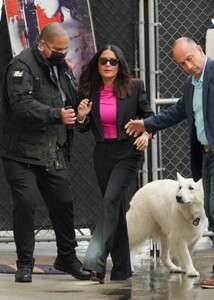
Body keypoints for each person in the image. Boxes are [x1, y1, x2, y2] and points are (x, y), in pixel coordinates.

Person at [0, 22, 90, 283]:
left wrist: (80, 114)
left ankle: (67, 258)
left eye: (66, 48)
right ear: (42, 44)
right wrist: (56, 115)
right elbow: (21, 105)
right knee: (25, 204)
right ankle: (25, 264)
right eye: (58, 49)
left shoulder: (63, 68)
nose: (63, 53)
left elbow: (70, 103)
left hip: (53, 151)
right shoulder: (21, 66)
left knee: (63, 203)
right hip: (21, 153)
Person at [125, 36, 214, 288]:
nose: (187, 66)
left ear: (200, 49)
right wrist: (146, 124)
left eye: (189, 59)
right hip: (206, 155)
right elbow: (176, 112)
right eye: (181, 64)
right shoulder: (190, 84)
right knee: (209, 207)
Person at [76, 44, 154, 283]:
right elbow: (83, 127)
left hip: (127, 153)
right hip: (102, 154)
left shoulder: (135, 86)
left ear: (120, 64)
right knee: (115, 209)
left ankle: (95, 263)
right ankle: (122, 269)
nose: (108, 65)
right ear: (97, 64)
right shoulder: (89, 90)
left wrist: (145, 134)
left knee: (110, 201)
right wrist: (80, 117)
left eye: (113, 61)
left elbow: (149, 117)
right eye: (103, 61)